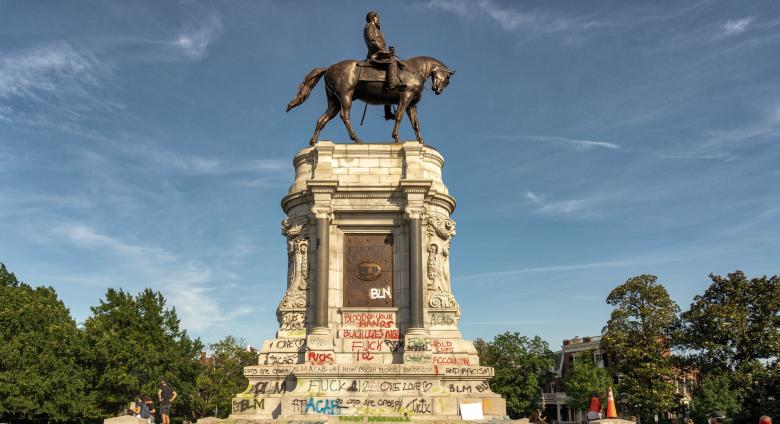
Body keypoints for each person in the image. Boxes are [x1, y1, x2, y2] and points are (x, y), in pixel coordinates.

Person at [363, 10, 401, 119]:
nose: (378, 20)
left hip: (379, 53)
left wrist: (388, 51)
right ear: (373, 18)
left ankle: (387, 111)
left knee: (393, 60)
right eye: (377, 18)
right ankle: (393, 84)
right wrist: (383, 50)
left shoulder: (377, 29)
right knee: (392, 61)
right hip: (375, 55)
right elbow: (372, 40)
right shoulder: (369, 26)